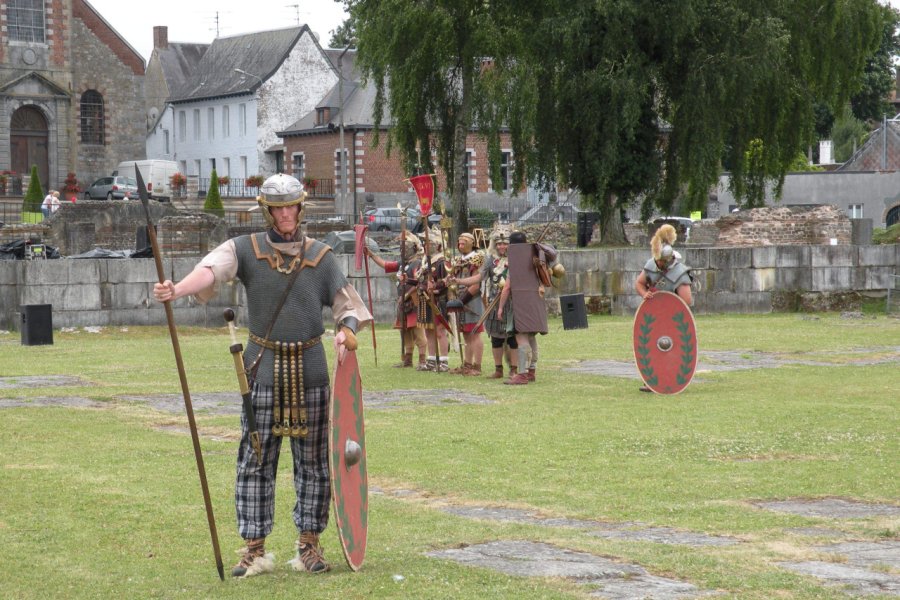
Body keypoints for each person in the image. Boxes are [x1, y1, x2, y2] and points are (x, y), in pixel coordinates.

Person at [152, 174, 371, 577]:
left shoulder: (322, 257)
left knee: (315, 464)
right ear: (267, 211)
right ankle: (254, 548)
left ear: (300, 209)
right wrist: (176, 289)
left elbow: (349, 306)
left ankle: (309, 544)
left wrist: (346, 332)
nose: (286, 214)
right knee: (255, 460)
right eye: (278, 208)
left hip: (312, 373)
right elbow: (211, 270)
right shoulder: (245, 249)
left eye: (291, 207)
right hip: (262, 372)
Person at [633, 223, 694, 392]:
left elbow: (685, 301)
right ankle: (650, 380)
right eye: (657, 260)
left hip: (672, 319)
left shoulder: (680, 273)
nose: (658, 263)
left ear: (667, 260)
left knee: (672, 347)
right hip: (653, 315)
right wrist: (644, 294)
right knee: (651, 346)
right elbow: (639, 284)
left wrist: (669, 306)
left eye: (661, 261)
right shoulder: (651, 265)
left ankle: (671, 379)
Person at [450, 227, 517, 379]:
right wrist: (459, 280)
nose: (501, 247)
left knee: (512, 338)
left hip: (512, 303)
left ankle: (514, 369)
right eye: (499, 244)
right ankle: (498, 370)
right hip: (494, 302)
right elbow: (479, 278)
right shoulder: (490, 260)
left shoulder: (516, 259)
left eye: (505, 244)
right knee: (496, 338)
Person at [497, 230, 558, 385]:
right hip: (535, 300)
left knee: (521, 336)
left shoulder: (517, 259)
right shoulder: (536, 255)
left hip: (521, 302)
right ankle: (531, 371)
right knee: (531, 337)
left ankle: (523, 373)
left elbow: (507, 287)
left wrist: (500, 307)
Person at [364, 231, 428, 370]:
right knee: (404, 331)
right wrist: (372, 255)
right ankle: (408, 360)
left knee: (418, 332)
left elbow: (419, 281)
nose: (402, 250)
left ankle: (423, 361)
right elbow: (386, 265)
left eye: (404, 247)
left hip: (414, 301)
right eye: (401, 247)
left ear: (412, 248)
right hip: (403, 303)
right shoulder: (401, 264)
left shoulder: (417, 263)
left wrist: (407, 295)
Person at [445, 232, 486, 375]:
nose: (461, 245)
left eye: (464, 242)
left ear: (470, 243)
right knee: (466, 334)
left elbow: (476, 283)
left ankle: (477, 366)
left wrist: (462, 301)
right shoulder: (459, 259)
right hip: (460, 298)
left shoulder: (478, 258)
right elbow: (454, 276)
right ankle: (467, 364)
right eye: (459, 242)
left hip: (472, 300)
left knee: (474, 333)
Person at [416, 226, 451, 372]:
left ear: (437, 245)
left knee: (439, 331)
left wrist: (435, 285)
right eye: (424, 243)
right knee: (429, 331)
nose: (425, 246)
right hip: (425, 300)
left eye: (428, 243)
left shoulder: (441, 262)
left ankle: (443, 361)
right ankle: (431, 360)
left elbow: (447, 281)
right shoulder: (426, 261)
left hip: (438, 301)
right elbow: (421, 281)